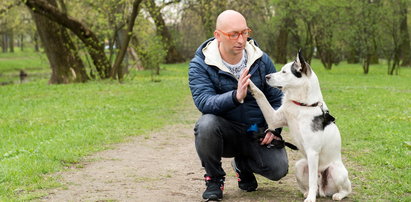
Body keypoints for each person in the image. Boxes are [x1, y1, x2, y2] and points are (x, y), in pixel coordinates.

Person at [188, 10, 288, 201]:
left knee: (279, 170)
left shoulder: (261, 59)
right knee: (206, 124)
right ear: (218, 35)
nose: (241, 40)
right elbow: (204, 101)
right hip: (226, 133)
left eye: (245, 32)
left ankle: (243, 165)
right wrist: (235, 96)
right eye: (233, 34)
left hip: (254, 129)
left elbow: (277, 99)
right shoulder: (201, 64)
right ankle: (214, 180)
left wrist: (274, 129)